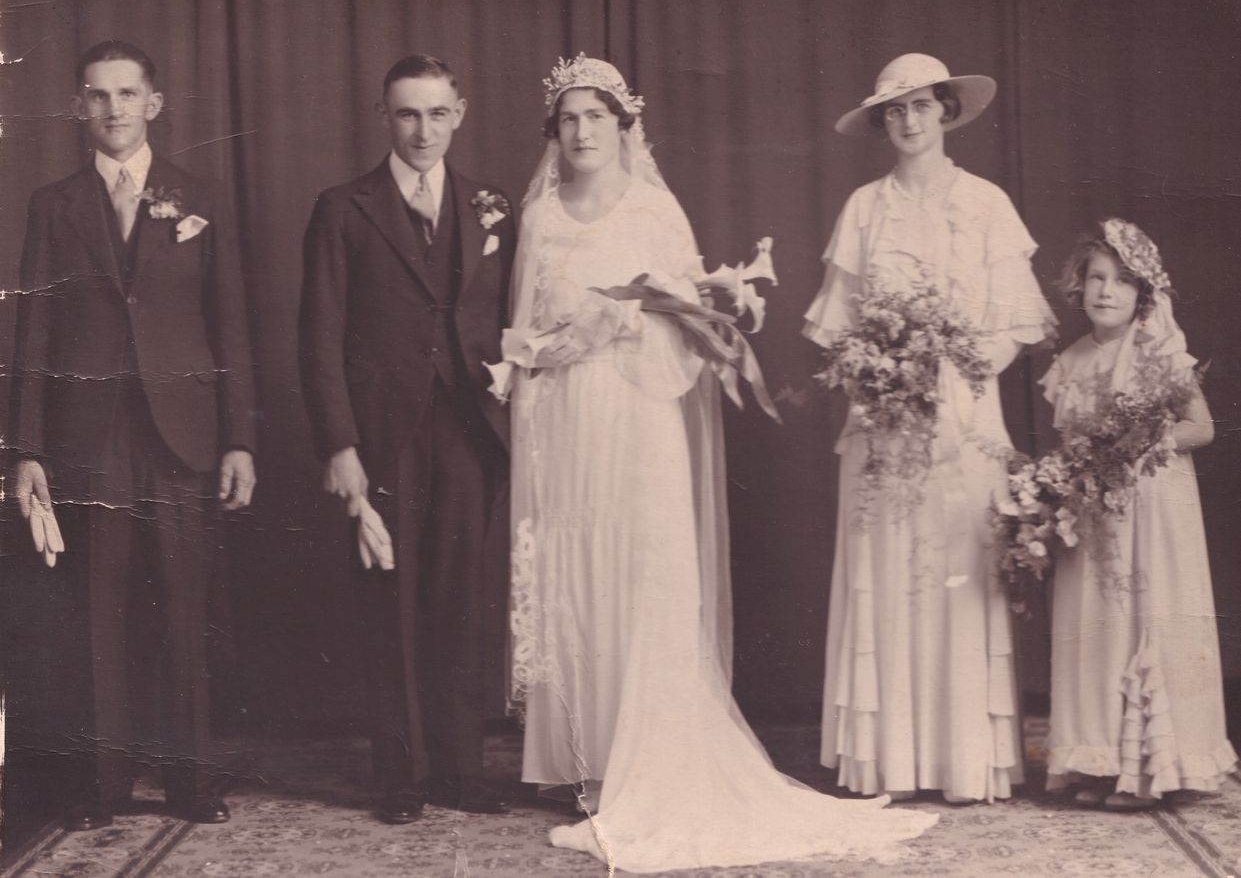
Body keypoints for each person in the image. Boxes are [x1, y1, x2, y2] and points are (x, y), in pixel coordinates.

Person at [490, 53, 937, 874]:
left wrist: (625, 326)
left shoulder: (656, 212)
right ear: (552, 133)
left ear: (626, 129)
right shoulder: (542, 219)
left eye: (597, 117)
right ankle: (583, 760)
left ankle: (649, 755)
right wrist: (551, 355)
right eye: (568, 119)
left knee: (642, 573)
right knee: (578, 571)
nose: (582, 132)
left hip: (639, 416)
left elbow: (690, 337)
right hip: (569, 420)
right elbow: (521, 335)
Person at [9, 40, 257, 828]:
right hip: (92, 438)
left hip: (183, 434)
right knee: (98, 612)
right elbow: (33, 333)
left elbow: (231, 328)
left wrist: (239, 439)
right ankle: (103, 787)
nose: (113, 109)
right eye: (97, 95)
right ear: (79, 107)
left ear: (154, 103)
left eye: (127, 94)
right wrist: (28, 450)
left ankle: (192, 786)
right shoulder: (54, 204)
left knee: (187, 612)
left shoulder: (200, 194)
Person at [804, 53, 1056, 804]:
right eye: (893, 110)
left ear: (945, 111)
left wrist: (955, 373)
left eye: (920, 106)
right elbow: (836, 328)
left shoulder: (985, 203)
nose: (908, 120)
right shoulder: (863, 208)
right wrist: (885, 374)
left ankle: (960, 762)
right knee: (888, 571)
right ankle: (886, 761)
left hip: (964, 419)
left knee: (957, 575)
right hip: (884, 421)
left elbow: (1016, 321)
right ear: (882, 123)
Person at [299, 54, 515, 824]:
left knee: (461, 603)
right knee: (388, 601)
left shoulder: (491, 205)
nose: (422, 131)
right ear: (383, 118)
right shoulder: (343, 207)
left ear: (459, 113)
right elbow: (318, 339)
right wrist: (340, 446)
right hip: (381, 435)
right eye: (406, 115)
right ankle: (400, 774)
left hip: (467, 432)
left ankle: (460, 768)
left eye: (436, 114)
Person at [1041, 220, 1239, 810]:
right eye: (1096, 278)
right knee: (1098, 627)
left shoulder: (1159, 353)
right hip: (1097, 519)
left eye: (1122, 281)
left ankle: (1152, 770)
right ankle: (1099, 763)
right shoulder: (1072, 360)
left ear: (1143, 295)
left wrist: (1146, 443)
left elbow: (1200, 427)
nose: (1106, 291)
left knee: (1145, 618)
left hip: (1154, 511)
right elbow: (1068, 442)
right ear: (1080, 287)